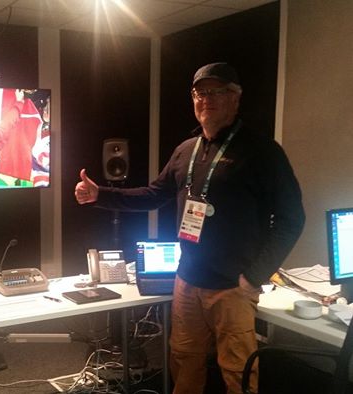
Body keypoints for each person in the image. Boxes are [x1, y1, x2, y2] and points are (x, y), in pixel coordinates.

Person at [74, 62, 305, 394]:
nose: (207, 99)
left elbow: (291, 219)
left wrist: (255, 276)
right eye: (200, 92)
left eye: (217, 91)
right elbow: (154, 195)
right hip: (187, 280)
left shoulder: (263, 152)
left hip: (233, 287)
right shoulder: (186, 150)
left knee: (238, 371)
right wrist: (101, 195)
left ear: (236, 98)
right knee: (184, 361)